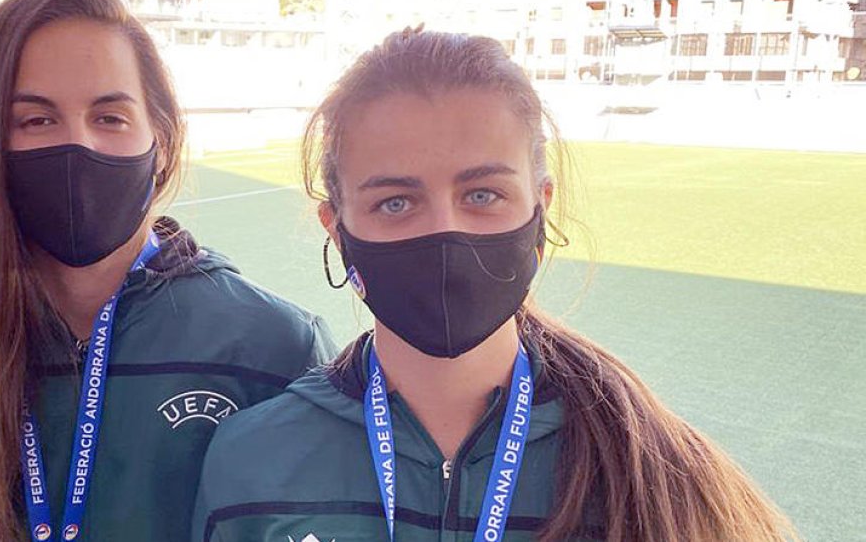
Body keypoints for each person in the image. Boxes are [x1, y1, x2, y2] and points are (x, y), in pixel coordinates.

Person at [193, 29, 796, 542]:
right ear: (338, 228)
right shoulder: (252, 460)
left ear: (541, 208)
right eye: (396, 201)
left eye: (482, 195)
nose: (445, 231)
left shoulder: (651, 475)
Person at [0, 0, 336, 542]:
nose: (80, 146)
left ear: (162, 141)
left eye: (110, 117)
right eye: (36, 121)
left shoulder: (275, 346)